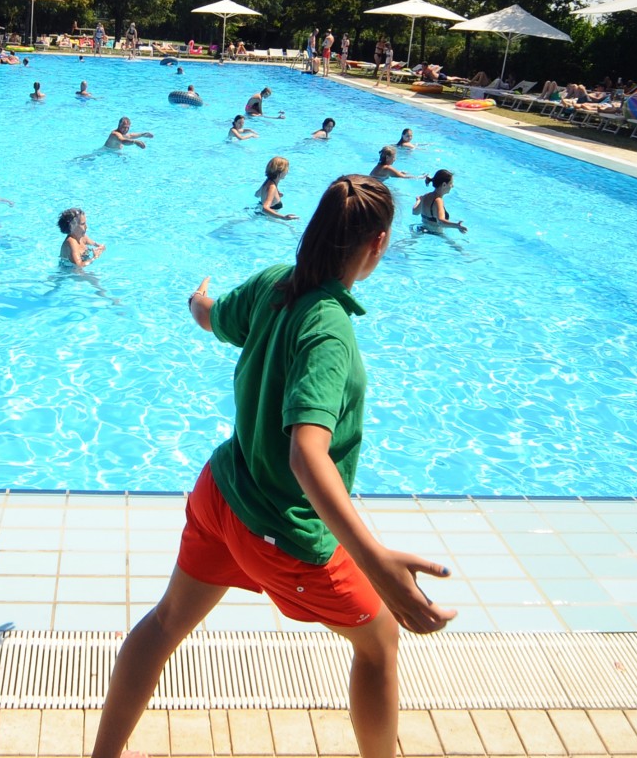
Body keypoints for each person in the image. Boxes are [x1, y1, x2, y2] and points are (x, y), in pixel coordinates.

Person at [91, 174, 454, 758]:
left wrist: (195, 299)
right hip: (280, 532)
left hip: (221, 494)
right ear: (379, 243)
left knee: (165, 624)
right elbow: (306, 454)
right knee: (380, 642)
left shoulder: (274, 284)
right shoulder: (329, 331)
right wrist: (377, 563)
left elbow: (211, 316)